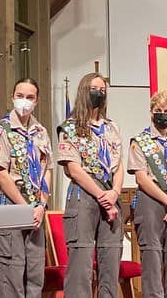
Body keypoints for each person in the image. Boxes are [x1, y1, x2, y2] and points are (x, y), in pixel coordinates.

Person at [56, 72, 124, 298]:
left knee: (111, 261)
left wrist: (114, 192)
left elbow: (119, 164)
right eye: (95, 89)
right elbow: (74, 169)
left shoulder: (111, 127)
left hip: (110, 193)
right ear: (85, 91)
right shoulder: (71, 127)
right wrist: (102, 196)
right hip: (84, 194)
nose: (100, 93)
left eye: (103, 90)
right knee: (81, 265)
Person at [0, 78, 52, 298]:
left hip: (36, 207)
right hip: (12, 206)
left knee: (35, 271)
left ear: (37, 100)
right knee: (13, 271)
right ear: (12, 97)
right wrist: (26, 208)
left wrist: (41, 204)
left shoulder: (40, 131)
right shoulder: (1, 130)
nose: (25, 101)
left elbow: (47, 170)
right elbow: (1, 175)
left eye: (30, 97)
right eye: (20, 96)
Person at [126, 90, 167, 298]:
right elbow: (141, 178)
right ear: (151, 113)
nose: (162, 114)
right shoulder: (140, 142)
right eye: (158, 111)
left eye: (166, 111)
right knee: (153, 269)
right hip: (151, 202)